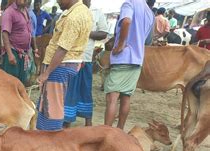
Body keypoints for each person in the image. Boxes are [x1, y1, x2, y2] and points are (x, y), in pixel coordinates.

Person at [36, 0, 91, 131]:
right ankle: (45, 137)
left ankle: (51, 140)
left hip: (60, 65)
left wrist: (46, 73)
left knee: (52, 107)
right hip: (64, 64)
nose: (58, 2)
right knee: (49, 104)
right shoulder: (82, 11)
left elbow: (63, 49)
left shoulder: (74, 17)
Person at [104, 0, 153, 129]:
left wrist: (120, 44)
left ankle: (106, 133)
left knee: (112, 98)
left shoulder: (129, 3)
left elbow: (126, 21)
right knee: (126, 97)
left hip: (123, 57)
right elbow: (148, 40)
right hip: (137, 59)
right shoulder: (149, 11)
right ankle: (119, 131)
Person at [63, 0, 107, 127]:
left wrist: (86, 32)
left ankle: (88, 122)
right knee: (70, 90)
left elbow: (103, 33)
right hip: (71, 57)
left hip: (86, 58)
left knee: (85, 90)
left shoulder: (97, 12)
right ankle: (67, 121)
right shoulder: (72, 10)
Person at [0, 0, 37, 85]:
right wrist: (10, 54)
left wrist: (35, 49)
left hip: (24, 54)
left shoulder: (26, 11)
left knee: (21, 83)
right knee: (11, 84)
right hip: (13, 53)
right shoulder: (9, 12)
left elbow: (30, 32)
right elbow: (5, 34)